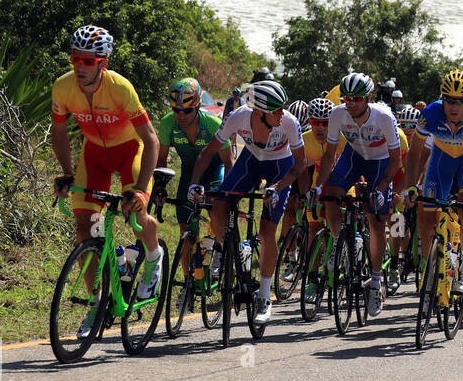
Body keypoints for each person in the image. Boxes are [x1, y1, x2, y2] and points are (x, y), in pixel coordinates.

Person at [51, 25, 163, 338]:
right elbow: (59, 133)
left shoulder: (120, 88)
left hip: (130, 151)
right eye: (76, 59)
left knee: (136, 218)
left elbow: (151, 140)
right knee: (84, 229)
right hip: (94, 154)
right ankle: (96, 303)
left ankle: (154, 256)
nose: (80, 66)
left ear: (103, 62)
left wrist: (140, 190)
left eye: (88, 61)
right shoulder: (62, 88)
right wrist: (66, 173)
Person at [187, 79, 306, 324]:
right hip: (249, 162)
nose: (281, 114)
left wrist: (277, 187)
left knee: (266, 231)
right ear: (259, 112)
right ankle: (235, 254)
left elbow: (300, 165)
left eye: (282, 108)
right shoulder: (239, 117)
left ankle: (264, 294)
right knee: (218, 209)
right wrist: (194, 183)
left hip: (280, 167)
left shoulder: (289, 123)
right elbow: (208, 152)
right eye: (276, 110)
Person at [402, 70, 463, 304]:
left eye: (462, 101)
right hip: (441, 159)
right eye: (449, 100)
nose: (454, 106)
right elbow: (415, 154)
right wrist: (411, 186)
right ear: (442, 98)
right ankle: (428, 269)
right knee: (426, 213)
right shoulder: (430, 114)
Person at [314, 73, 403, 315]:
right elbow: (330, 154)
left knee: (376, 221)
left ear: (368, 98)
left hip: (380, 163)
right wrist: (319, 187)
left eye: (356, 98)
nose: (350, 102)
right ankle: (339, 243)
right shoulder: (337, 114)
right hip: (352, 158)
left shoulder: (383, 116)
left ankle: (375, 282)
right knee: (331, 196)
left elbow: (396, 159)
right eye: (346, 98)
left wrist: (382, 189)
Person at [157, 78, 234, 279]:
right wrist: (160, 188)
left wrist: (228, 195)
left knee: (214, 208)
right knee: (185, 228)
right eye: (176, 110)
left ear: (198, 106)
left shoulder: (213, 124)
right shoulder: (167, 123)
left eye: (187, 111)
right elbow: (161, 159)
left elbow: (228, 162)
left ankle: (223, 250)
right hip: (189, 171)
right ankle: (190, 281)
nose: (180, 115)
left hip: (215, 168)